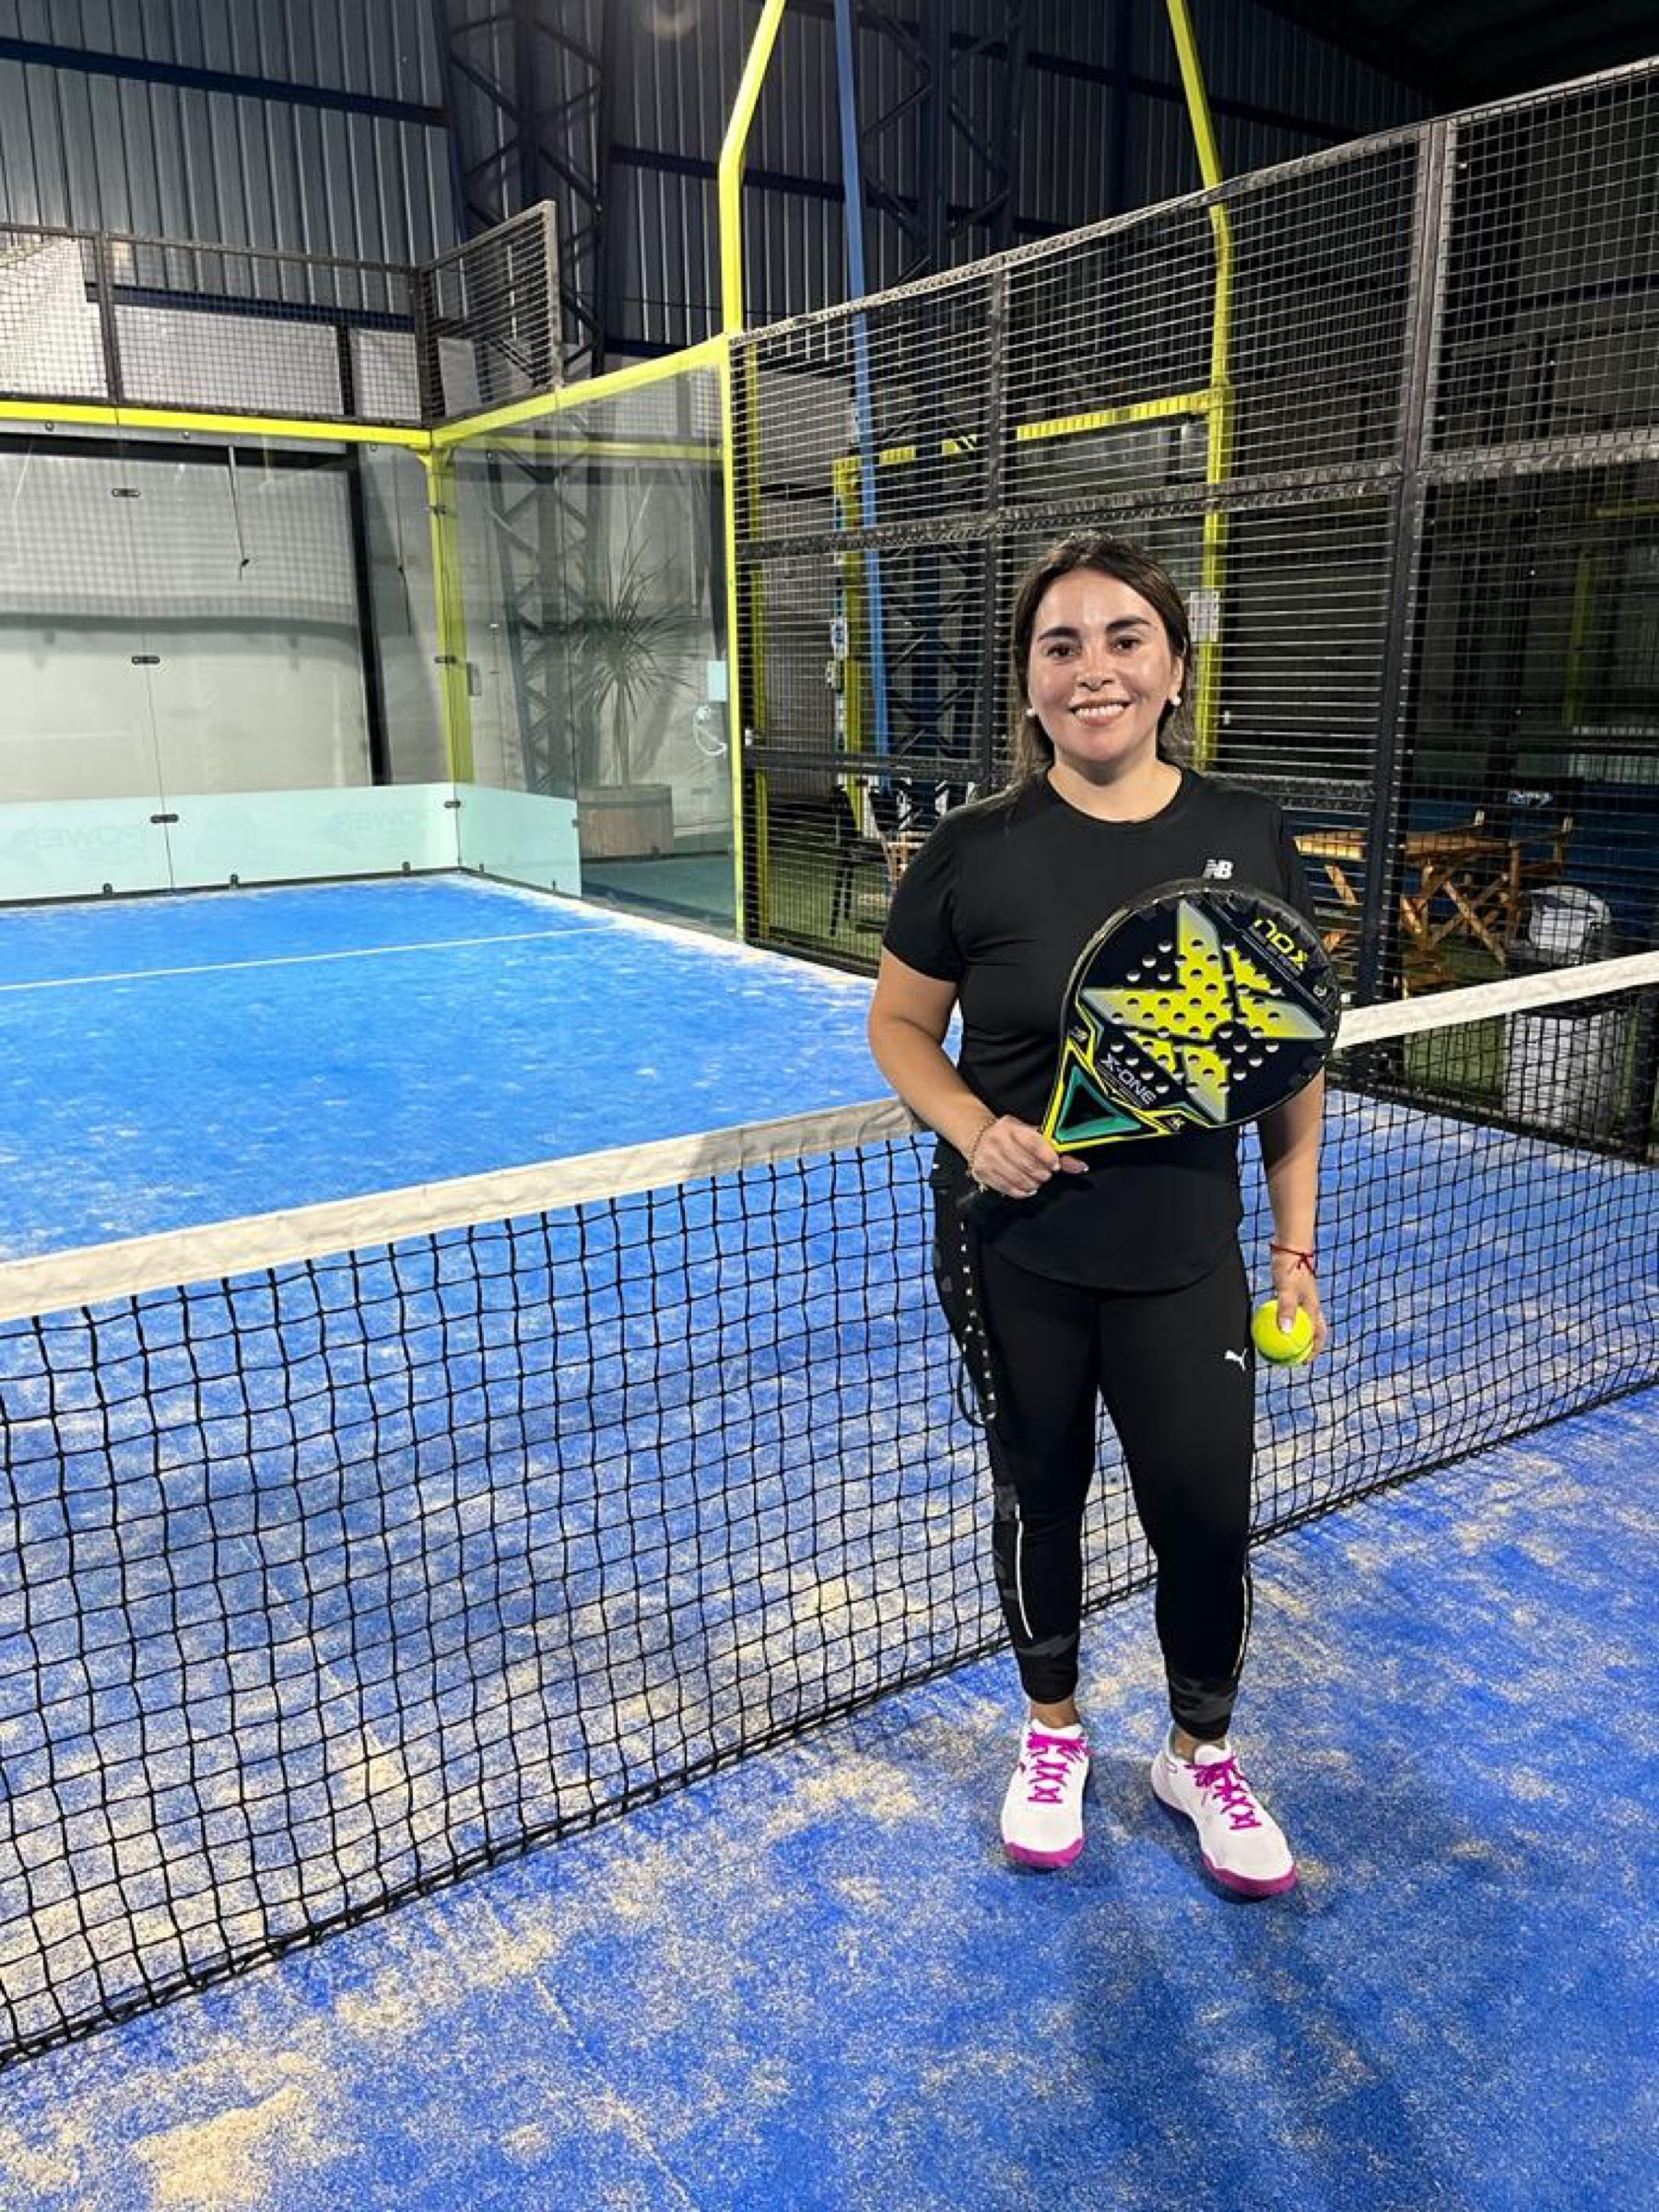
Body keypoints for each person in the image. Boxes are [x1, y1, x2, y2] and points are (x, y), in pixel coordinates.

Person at [866, 532, 1325, 1897]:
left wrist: (1294, 1244)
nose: (1094, 670)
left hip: (1184, 1256)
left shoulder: (1249, 832)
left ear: (1175, 667)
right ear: (1029, 682)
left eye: (1126, 639)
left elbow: (1288, 1059)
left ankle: (1198, 1752)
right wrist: (975, 1130)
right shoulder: (971, 851)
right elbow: (899, 1025)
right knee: (1041, 1495)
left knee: (1204, 1512)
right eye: (1060, 645)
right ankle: (1054, 1728)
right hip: (1013, 1254)